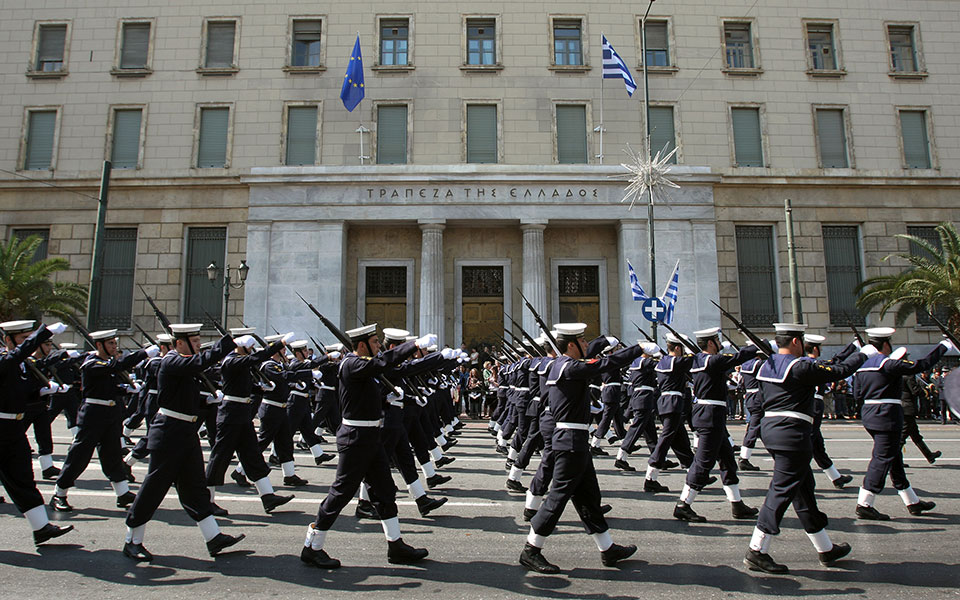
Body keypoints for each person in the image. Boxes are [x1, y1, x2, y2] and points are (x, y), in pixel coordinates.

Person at [300, 325, 437, 569]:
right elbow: (382, 363)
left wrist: (437, 358)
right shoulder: (352, 364)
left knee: (385, 490)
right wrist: (413, 346)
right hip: (355, 438)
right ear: (362, 345)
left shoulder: (366, 366)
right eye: (375, 342)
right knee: (341, 493)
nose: (379, 346)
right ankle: (313, 545)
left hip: (371, 436)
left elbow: (398, 369)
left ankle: (395, 545)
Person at [744, 322, 867, 574]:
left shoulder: (768, 364)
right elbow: (839, 370)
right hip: (792, 433)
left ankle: (825, 548)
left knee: (803, 490)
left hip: (773, 430)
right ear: (797, 342)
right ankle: (757, 550)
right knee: (781, 491)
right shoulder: (800, 366)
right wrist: (864, 354)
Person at [520, 323, 640, 574]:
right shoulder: (568, 366)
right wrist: (638, 349)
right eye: (583, 341)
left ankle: (608, 549)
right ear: (572, 345)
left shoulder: (561, 366)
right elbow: (601, 364)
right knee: (558, 497)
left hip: (576, 441)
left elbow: (595, 360)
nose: (587, 345)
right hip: (570, 442)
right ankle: (531, 550)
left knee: (589, 498)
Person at [122, 324, 243, 561]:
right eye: (195, 341)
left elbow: (184, 393)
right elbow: (198, 364)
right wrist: (229, 341)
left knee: (194, 486)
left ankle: (213, 537)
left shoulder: (184, 364)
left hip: (186, 431)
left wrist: (206, 399)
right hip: (169, 433)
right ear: (179, 343)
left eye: (199, 341)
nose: (199, 345)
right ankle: (132, 540)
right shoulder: (171, 361)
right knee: (154, 488)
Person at [853, 327, 950, 521]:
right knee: (882, 458)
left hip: (870, 415)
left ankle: (911, 501)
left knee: (894, 457)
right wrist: (944, 346)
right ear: (886, 344)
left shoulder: (862, 367)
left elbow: (857, 395)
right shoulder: (888, 364)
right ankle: (865, 503)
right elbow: (921, 365)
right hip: (887, 417)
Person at [51, 329, 154, 512]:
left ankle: (122, 494)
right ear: (99, 345)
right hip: (93, 414)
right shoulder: (92, 363)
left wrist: (126, 389)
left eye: (115, 343)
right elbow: (114, 368)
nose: (115, 347)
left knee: (112, 455)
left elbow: (109, 386)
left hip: (110, 414)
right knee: (79, 456)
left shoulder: (107, 363)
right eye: (111, 344)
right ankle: (59, 494)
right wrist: (143, 354)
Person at [0, 319, 74, 546]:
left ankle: (41, 528)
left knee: (23, 478)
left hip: (13, 430)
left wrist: (41, 391)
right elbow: (12, 360)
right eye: (24, 339)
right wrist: (44, 333)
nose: (28, 344)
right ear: (8, 340)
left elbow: (20, 391)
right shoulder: (6, 360)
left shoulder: (22, 365)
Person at [205, 328, 294, 515]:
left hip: (242, 415)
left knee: (252, 455)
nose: (253, 350)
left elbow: (244, 386)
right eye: (251, 346)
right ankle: (207, 500)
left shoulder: (239, 363)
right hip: (230, 415)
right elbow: (255, 359)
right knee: (220, 457)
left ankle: (267, 496)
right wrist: (279, 345)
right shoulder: (232, 361)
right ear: (242, 347)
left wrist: (261, 389)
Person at [673, 327, 758, 523]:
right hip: (710, 416)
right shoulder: (713, 360)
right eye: (717, 341)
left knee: (728, 461)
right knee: (703, 462)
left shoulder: (697, 360)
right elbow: (737, 358)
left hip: (710, 415)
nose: (720, 345)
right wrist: (756, 347)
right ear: (711, 343)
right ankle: (683, 504)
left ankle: (737, 504)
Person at [899, 359, 941, 464]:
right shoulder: (909, 375)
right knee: (901, 438)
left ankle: (929, 455)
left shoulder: (898, 374)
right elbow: (915, 391)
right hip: (908, 408)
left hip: (902, 407)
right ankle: (893, 461)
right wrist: (926, 390)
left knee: (915, 435)